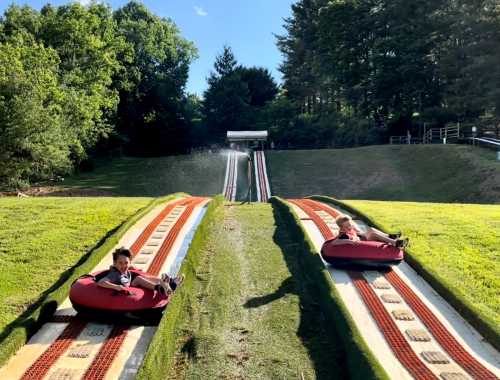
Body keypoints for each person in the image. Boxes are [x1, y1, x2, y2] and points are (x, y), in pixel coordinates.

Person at [98, 247, 184, 295]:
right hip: (129, 288)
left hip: (130, 283)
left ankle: (170, 283)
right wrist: (117, 287)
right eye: (120, 263)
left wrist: (134, 268)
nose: (124, 265)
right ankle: (160, 288)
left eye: (126, 263)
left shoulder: (126, 268)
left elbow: (130, 266)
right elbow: (101, 282)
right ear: (115, 263)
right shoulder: (115, 274)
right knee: (139, 279)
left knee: (148, 278)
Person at [331, 215, 409, 248]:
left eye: (349, 224)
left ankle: (389, 236)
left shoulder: (349, 228)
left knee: (371, 229)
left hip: (362, 238)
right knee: (373, 234)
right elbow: (334, 242)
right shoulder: (343, 234)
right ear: (341, 228)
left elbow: (357, 232)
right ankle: (395, 242)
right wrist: (349, 241)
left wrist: (355, 230)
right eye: (346, 226)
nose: (349, 227)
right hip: (362, 243)